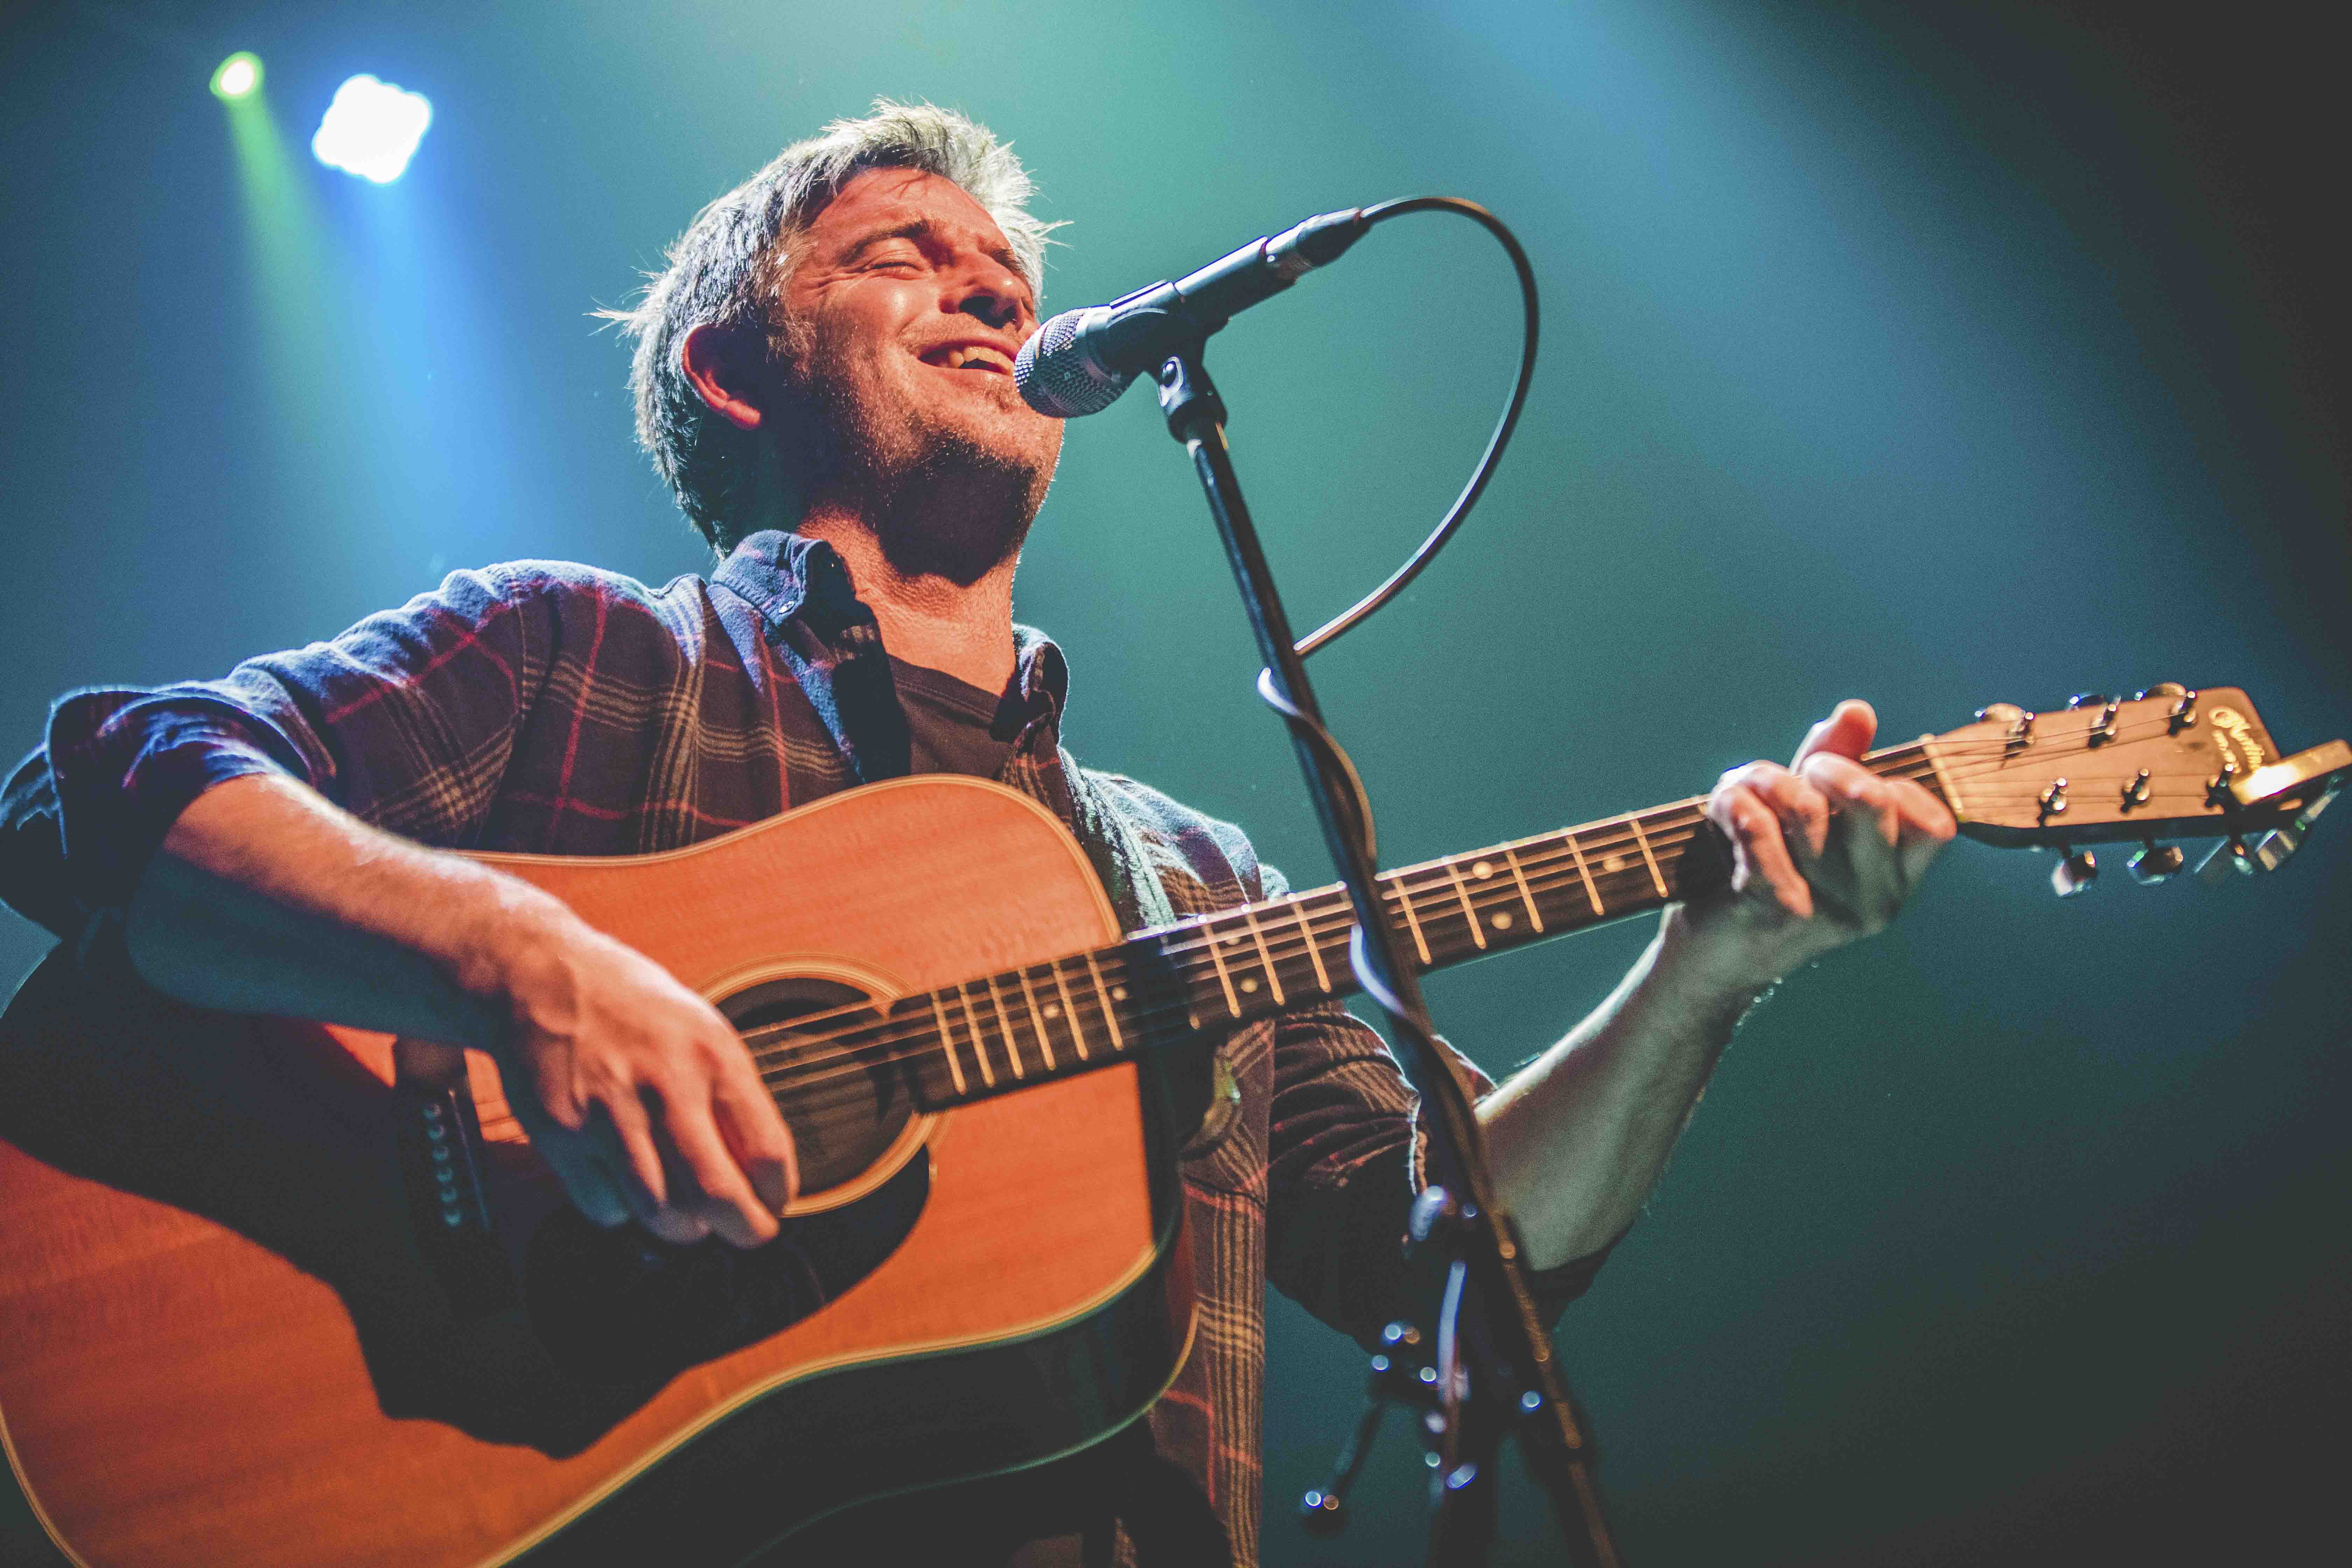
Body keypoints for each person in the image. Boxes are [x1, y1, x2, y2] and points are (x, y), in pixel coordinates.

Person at [0, 102, 1953, 1566]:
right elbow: (99, 790)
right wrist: (519, 968)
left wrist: (1709, 969)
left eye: (1005, 267)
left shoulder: (1195, 880)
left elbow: (1447, 1271)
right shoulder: (576, 658)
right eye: (904, 252)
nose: (997, 286)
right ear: (731, 367)